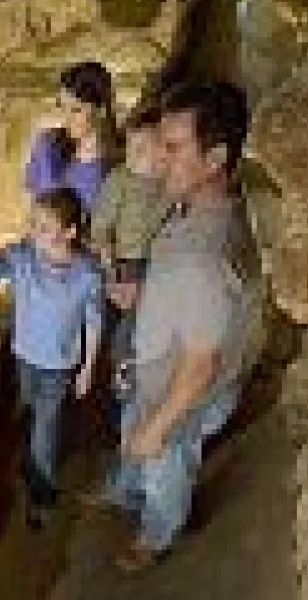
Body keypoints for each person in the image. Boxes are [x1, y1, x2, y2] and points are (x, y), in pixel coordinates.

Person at [96, 80, 260, 573]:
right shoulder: (197, 208)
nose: (159, 158)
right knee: (137, 438)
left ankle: (156, 535)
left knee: (165, 462)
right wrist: (146, 297)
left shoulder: (201, 256)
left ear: (215, 158)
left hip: (176, 394)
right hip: (155, 371)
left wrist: (161, 424)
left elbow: (201, 360)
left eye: (173, 147)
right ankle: (126, 491)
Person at [0, 187, 104, 530]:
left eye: (45, 228)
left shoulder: (87, 274)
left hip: (60, 366)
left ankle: (42, 496)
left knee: (45, 431)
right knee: (31, 410)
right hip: (24, 356)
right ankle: (34, 460)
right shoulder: (23, 257)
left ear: (70, 232)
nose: (35, 234)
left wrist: (88, 366)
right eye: (34, 225)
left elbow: (94, 321)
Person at [89, 101, 171, 431]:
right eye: (131, 147)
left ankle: (128, 402)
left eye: (143, 148)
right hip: (122, 264)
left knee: (131, 337)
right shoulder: (120, 181)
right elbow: (100, 229)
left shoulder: (171, 185)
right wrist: (111, 272)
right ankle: (112, 405)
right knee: (114, 334)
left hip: (156, 269)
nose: (133, 156)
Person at [25, 61, 121, 215]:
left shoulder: (119, 162)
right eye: (62, 107)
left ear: (101, 110)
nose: (66, 117)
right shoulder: (47, 145)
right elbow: (33, 214)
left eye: (76, 110)